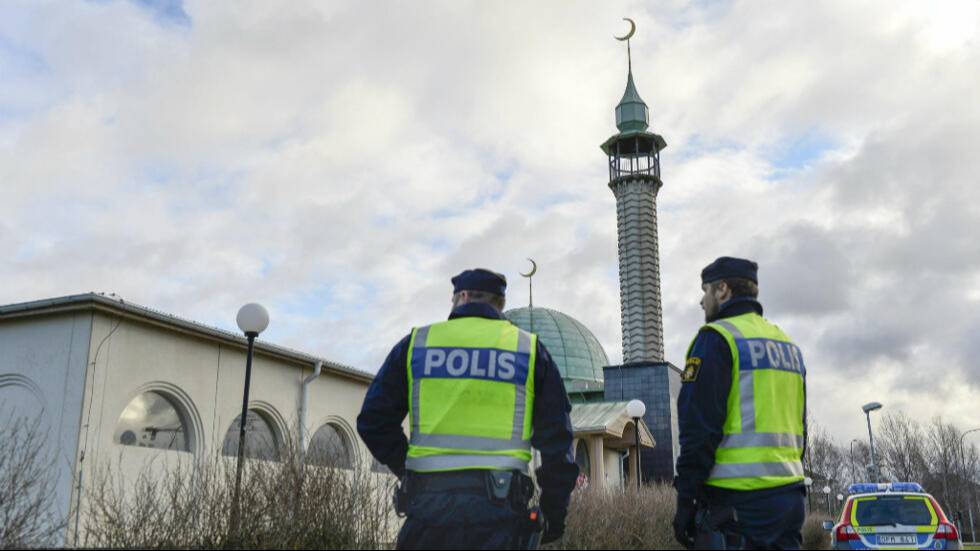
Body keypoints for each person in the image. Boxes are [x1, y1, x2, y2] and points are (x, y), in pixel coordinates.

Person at [357, 268, 579, 550]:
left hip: (428, 516)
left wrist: (409, 469)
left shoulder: (417, 345)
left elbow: (373, 422)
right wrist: (553, 516)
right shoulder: (528, 350)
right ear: (499, 303)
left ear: (461, 296)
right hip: (500, 520)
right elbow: (558, 444)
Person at [673, 257, 807, 550]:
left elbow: (699, 430)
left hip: (737, 507)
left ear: (722, 290)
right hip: (789, 500)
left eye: (705, 290)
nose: (701, 300)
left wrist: (687, 501)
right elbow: (801, 429)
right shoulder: (787, 345)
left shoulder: (717, 339)